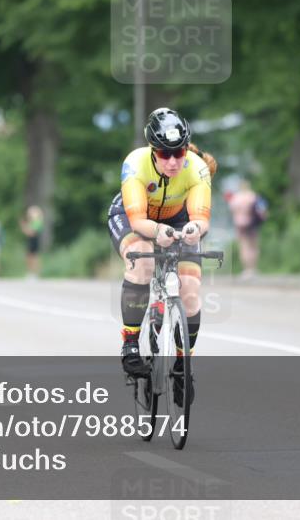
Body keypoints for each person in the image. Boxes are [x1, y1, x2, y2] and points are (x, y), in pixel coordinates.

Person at [107, 108, 217, 403]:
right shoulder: (135, 163)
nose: (172, 161)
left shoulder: (197, 169)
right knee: (142, 259)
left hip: (178, 219)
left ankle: (183, 366)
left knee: (190, 291)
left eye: (179, 152)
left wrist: (194, 229)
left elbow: (201, 219)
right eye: (164, 154)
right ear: (152, 150)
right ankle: (130, 343)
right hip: (134, 217)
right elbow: (138, 221)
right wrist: (157, 232)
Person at [227, 180, 267, 278]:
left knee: (244, 246)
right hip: (252, 224)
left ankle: (246, 269)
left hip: (240, 224)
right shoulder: (253, 196)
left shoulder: (236, 198)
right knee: (254, 246)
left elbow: (232, 210)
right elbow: (262, 209)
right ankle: (253, 268)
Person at [19, 205, 44, 279]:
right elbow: (27, 232)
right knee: (29, 257)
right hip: (30, 240)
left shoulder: (37, 222)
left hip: (34, 240)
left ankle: (36, 273)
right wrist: (23, 226)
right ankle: (31, 273)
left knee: (35, 257)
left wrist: (24, 226)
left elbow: (31, 232)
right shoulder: (32, 222)